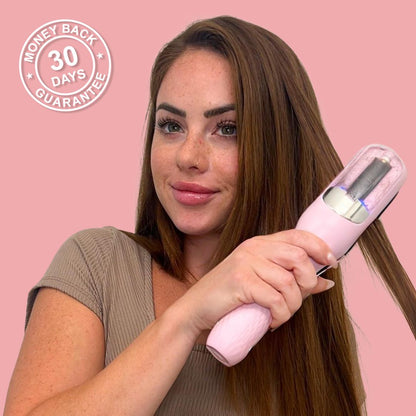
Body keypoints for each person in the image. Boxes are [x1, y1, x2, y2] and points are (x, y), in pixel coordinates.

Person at [5, 16, 416, 416]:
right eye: (171, 125)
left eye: (228, 129)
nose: (188, 156)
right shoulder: (96, 265)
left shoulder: (309, 321)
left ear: (278, 147)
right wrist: (186, 318)